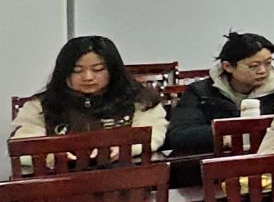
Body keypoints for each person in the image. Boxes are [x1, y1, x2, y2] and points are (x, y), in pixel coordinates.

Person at [9, 35, 168, 150]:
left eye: (98, 69)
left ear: (113, 70)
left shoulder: (141, 101)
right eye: (77, 71)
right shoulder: (40, 106)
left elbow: (153, 135)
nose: (88, 77)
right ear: (63, 73)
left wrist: (125, 149)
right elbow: (22, 147)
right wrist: (53, 155)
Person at [164, 32, 274, 152]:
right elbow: (179, 135)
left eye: (268, 63)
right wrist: (225, 137)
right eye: (253, 66)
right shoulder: (200, 92)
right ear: (228, 66)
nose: (263, 71)